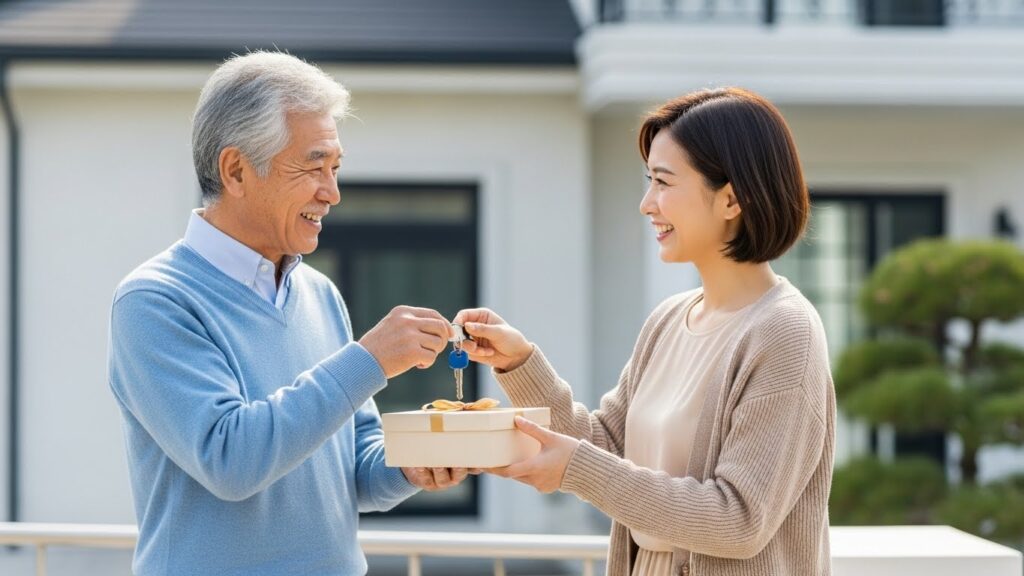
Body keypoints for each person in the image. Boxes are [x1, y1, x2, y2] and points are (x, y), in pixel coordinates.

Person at [108, 51, 468, 576]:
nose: (333, 192)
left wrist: (410, 466)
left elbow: (354, 468)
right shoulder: (154, 301)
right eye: (314, 165)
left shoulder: (319, 293)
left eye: (336, 168)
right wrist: (368, 359)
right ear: (235, 170)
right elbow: (230, 460)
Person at [456, 88, 835, 576]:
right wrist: (519, 363)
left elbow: (740, 520)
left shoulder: (783, 333)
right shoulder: (669, 320)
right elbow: (603, 445)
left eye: (663, 182)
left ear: (732, 199)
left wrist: (577, 467)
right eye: (648, 181)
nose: (646, 204)